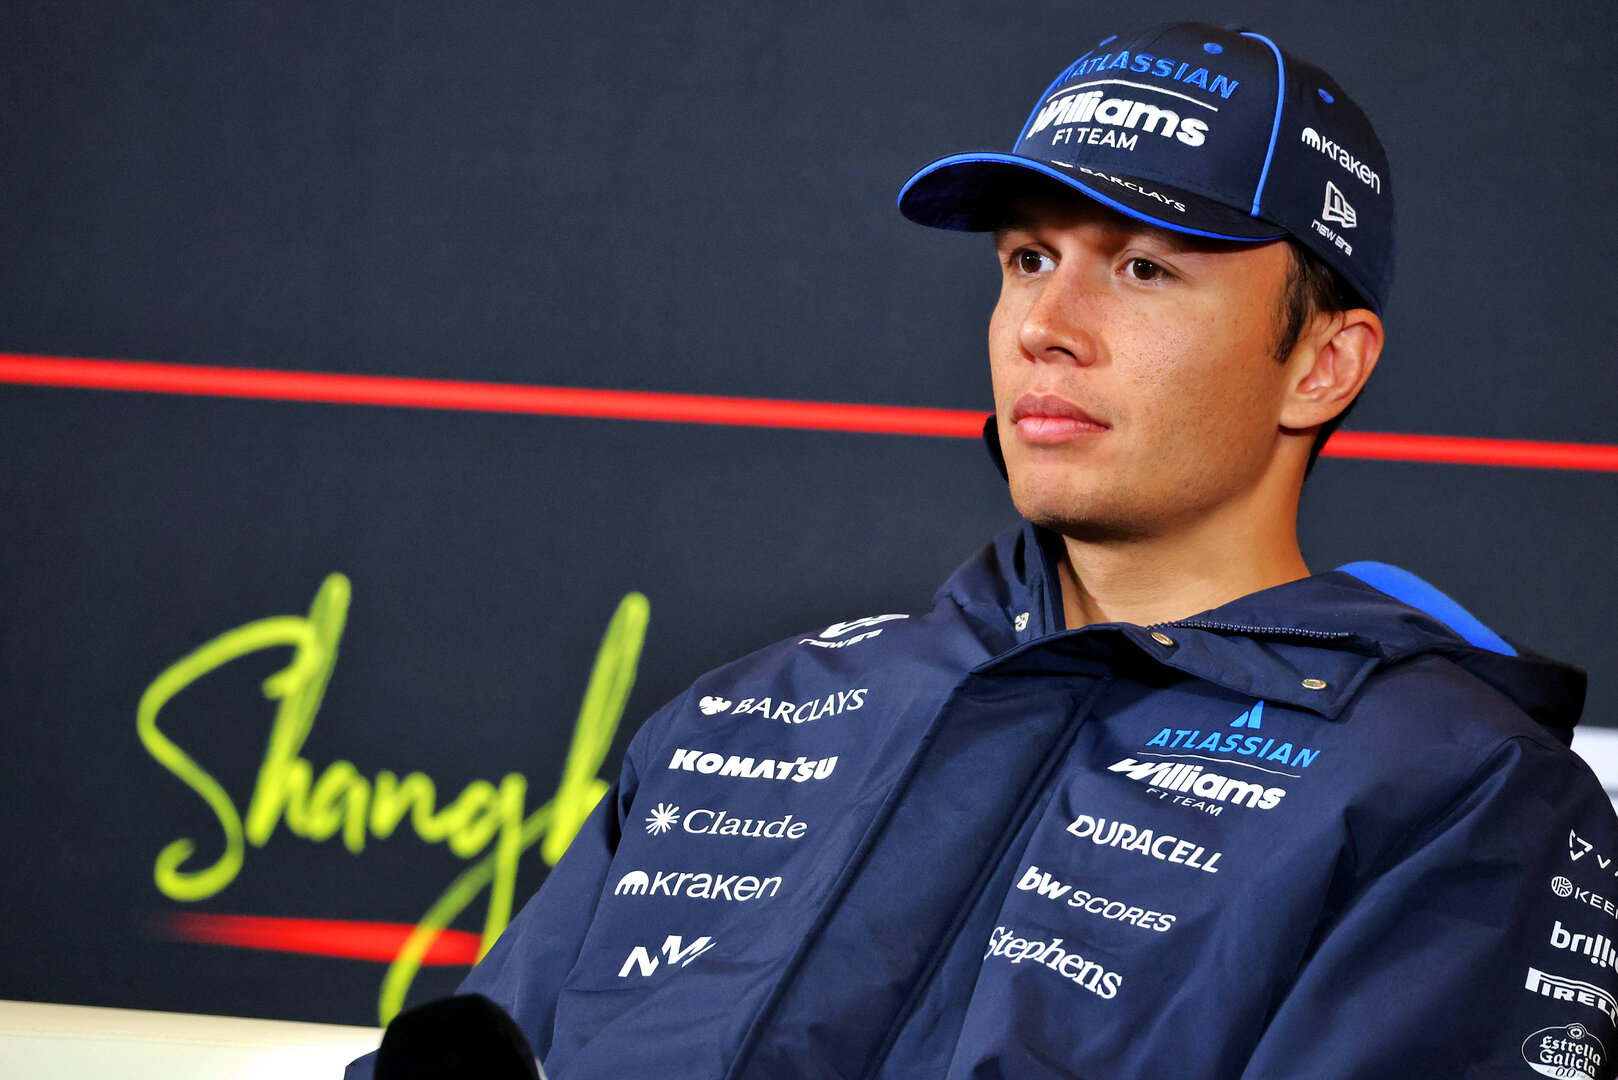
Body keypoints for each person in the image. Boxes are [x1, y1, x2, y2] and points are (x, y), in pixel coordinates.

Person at [351, 21, 1618, 1079]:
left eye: (1141, 268)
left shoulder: (1455, 794)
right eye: (1026, 259)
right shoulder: (744, 717)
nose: (1046, 328)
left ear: (1321, 363)